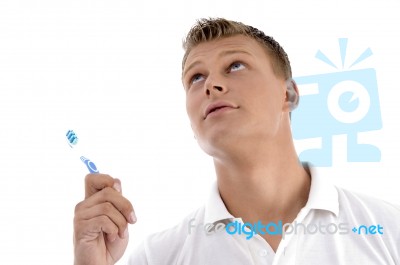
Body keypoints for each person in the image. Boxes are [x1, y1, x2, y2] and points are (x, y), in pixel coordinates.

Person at [73, 18, 400, 265]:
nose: (211, 84)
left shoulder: (389, 232)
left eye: (235, 66)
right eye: (196, 77)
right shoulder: (158, 257)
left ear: (288, 94)